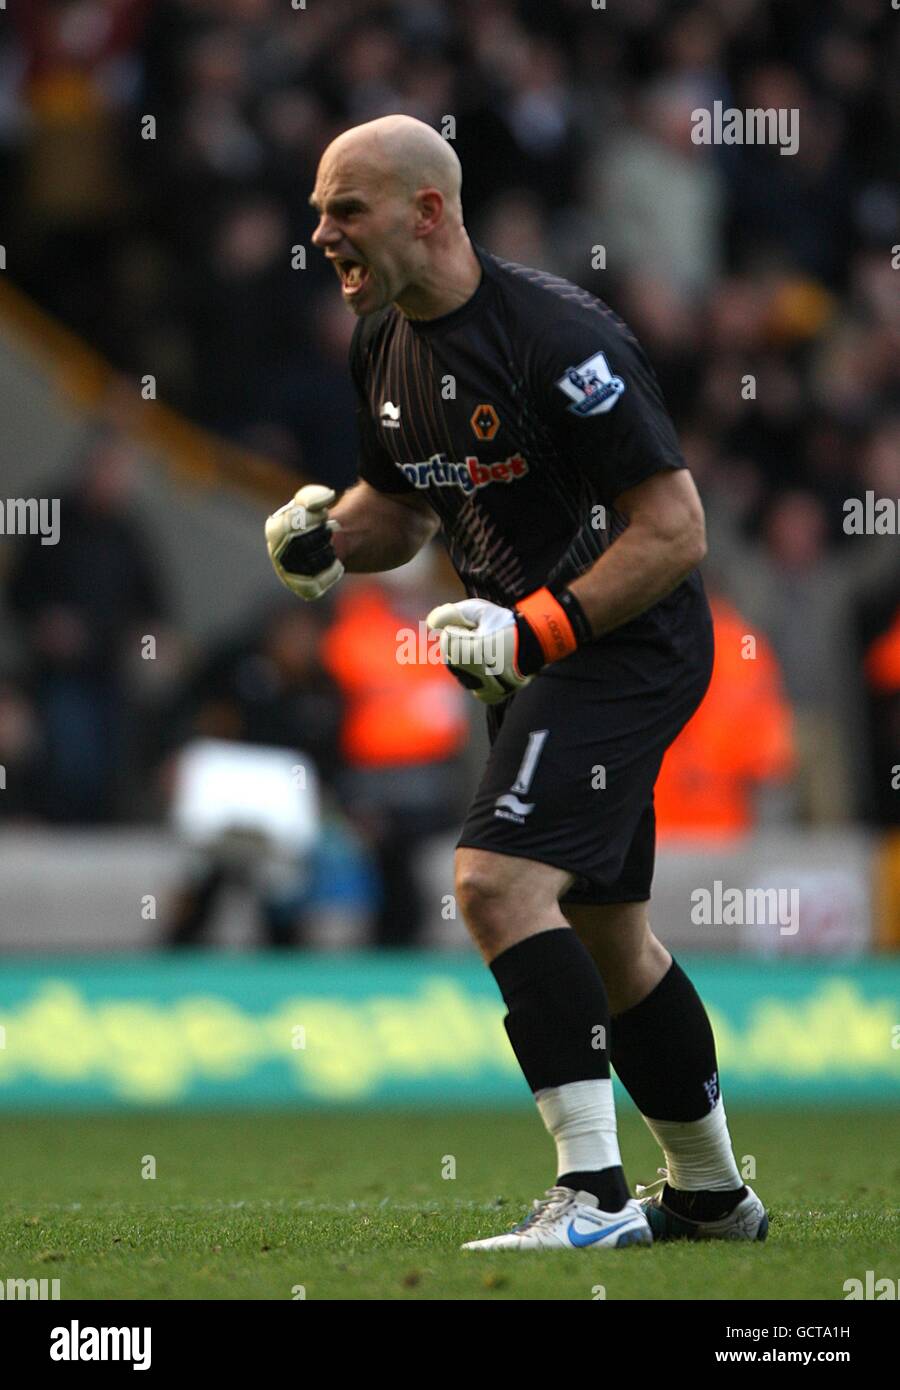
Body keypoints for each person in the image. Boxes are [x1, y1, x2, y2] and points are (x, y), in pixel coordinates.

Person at [265, 114, 767, 1250]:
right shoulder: (381, 342)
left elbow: (677, 528)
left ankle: (589, 1198)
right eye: (317, 210)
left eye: (345, 210)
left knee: (493, 885)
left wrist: (537, 629)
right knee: (609, 937)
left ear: (427, 213)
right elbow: (401, 503)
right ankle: (710, 1196)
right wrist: (327, 535)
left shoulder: (556, 337)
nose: (320, 233)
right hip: (531, 652)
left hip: (618, 640)